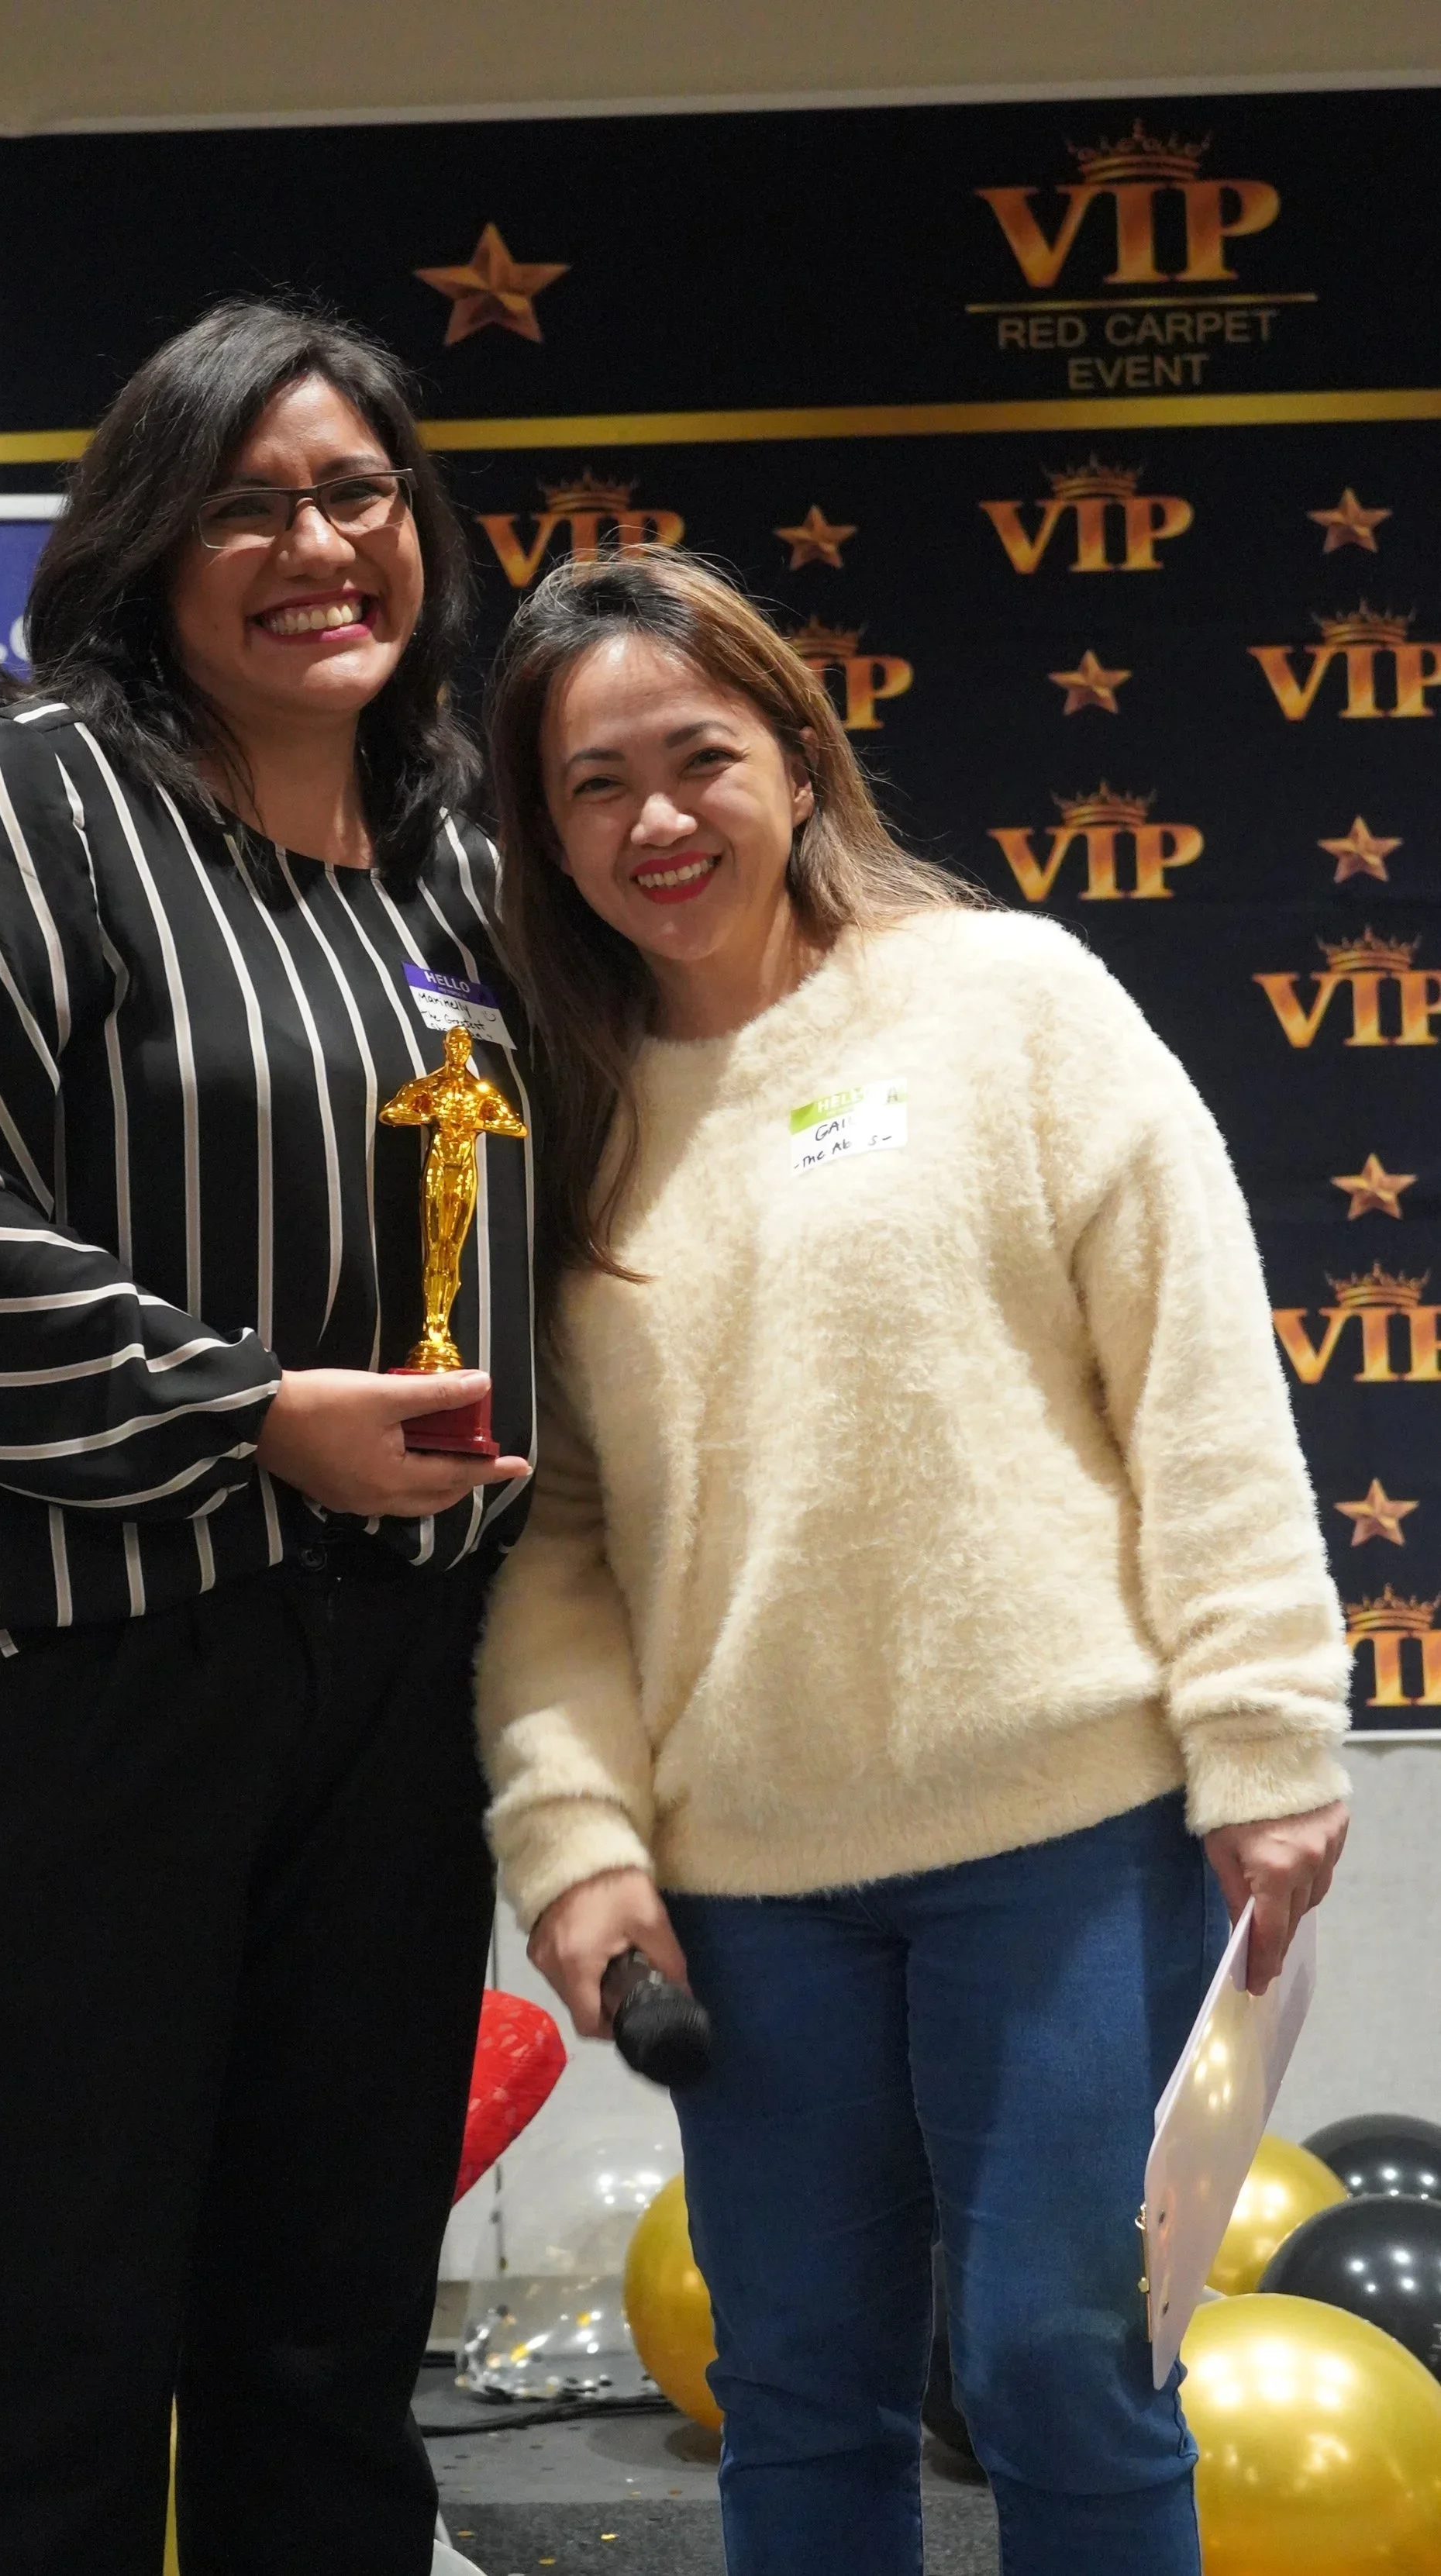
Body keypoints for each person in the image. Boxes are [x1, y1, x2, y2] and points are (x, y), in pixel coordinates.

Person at [474, 550, 1350, 2576]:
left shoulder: (1009, 1002)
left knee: (1057, 2360)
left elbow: (1196, 1365)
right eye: (591, 785)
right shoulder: (560, 1115)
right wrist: (578, 1837)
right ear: (542, 830)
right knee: (794, 2391)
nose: (655, 819)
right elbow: (568, 1536)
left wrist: (1263, 1725)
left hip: (1059, 1835)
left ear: (794, 750)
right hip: (744, 1886)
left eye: (695, 755)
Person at [0, 298, 536, 2576]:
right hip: (66, 1692)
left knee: (327, 2374)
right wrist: (248, 1419)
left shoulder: (453, 865)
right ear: (147, 543)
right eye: (244, 503)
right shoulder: (41, 793)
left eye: (353, 493)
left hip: (395, 1700)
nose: (313, 544)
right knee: (46, 2386)